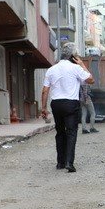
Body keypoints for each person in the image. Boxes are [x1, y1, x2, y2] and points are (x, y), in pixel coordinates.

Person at [40, 43, 94, 172]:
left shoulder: (52, 69)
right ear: (73, 56)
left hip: (56, 104)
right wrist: (82, 64)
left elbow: (45, 90)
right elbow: (91, 80)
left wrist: (43, 108)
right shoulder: (75, 68)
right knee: (71, 133)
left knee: (60, 133)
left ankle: (60, 162)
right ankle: (69, 163)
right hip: (71, 104)